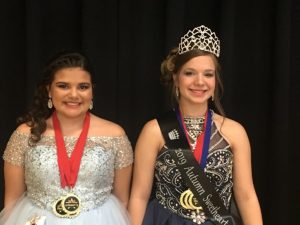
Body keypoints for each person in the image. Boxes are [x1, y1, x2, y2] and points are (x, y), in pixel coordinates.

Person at [128, 25, 263, 225]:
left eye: (208, 74)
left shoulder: (234, 132)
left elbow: (246, 196)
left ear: (215, 80)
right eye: (190, 73)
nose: (200, 82)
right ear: (176, 78)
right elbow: (139, 195)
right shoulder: (154, 131)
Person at [0, 51, 133, 225]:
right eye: (63, 86)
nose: (74, 95)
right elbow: (12, 200)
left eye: (83, 87)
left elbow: (123, 200)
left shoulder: (115, 135)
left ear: (92, 91)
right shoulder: (25, 134)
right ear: (49, 90)